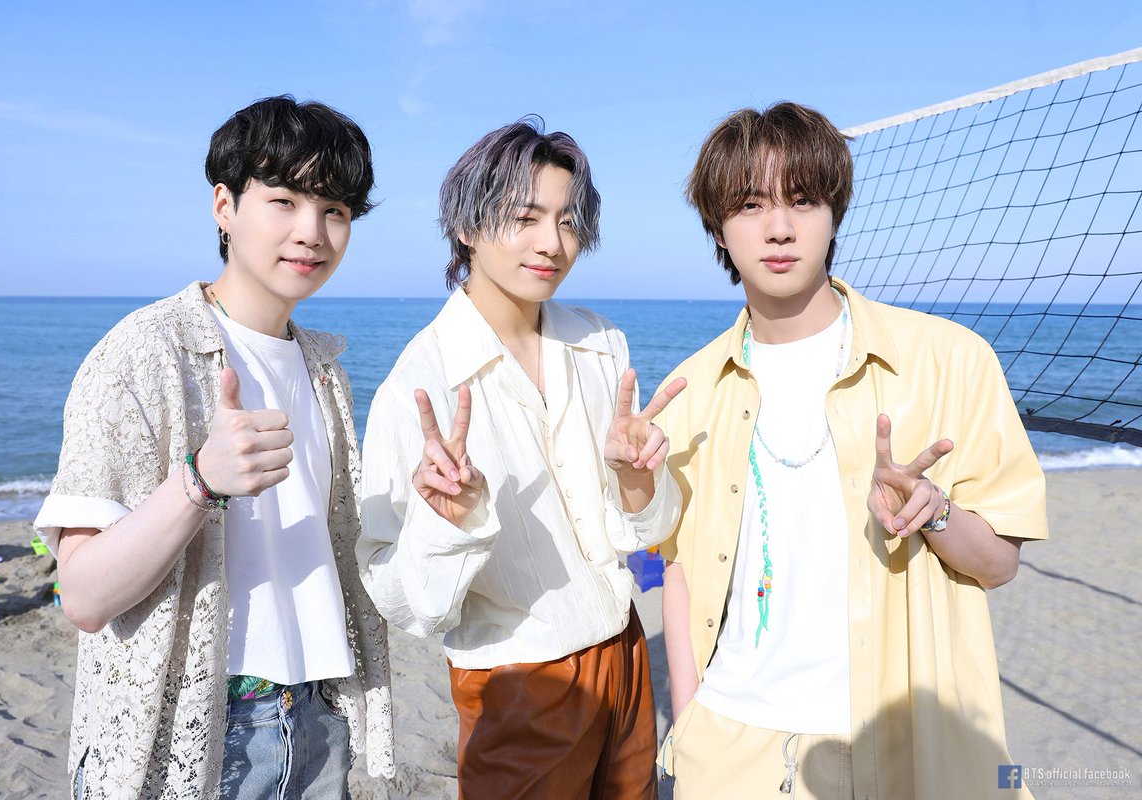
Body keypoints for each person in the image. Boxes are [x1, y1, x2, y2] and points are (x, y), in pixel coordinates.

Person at [656, 102, 1048, 799]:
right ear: (718, 227)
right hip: (729, 745)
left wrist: (933, 512)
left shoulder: (951, 359)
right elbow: (680, 571)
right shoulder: (690, 388)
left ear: (835, 213)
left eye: (803, 200)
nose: (779, 228)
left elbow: (999, 565)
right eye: (750, 205)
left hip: (895, 742)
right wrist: (690, 722)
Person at [34, 96, 393, 799]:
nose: (311, 232)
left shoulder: (323, 367)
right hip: (200, 732)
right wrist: (199, 481)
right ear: (224, 206)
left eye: (335, 210)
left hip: (319, 719)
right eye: (284, 201)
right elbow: (82, 596)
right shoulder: (144, 353)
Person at [357, 118, 685, 799]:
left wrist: (636, 480)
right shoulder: (421, 384)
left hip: (624, 647)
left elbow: (644, 530)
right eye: (525, 217)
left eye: (567, 221)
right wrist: (448, 521)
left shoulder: (600, 344)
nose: (551, 243)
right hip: (517, 677)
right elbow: (404, 600)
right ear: (466, 227)